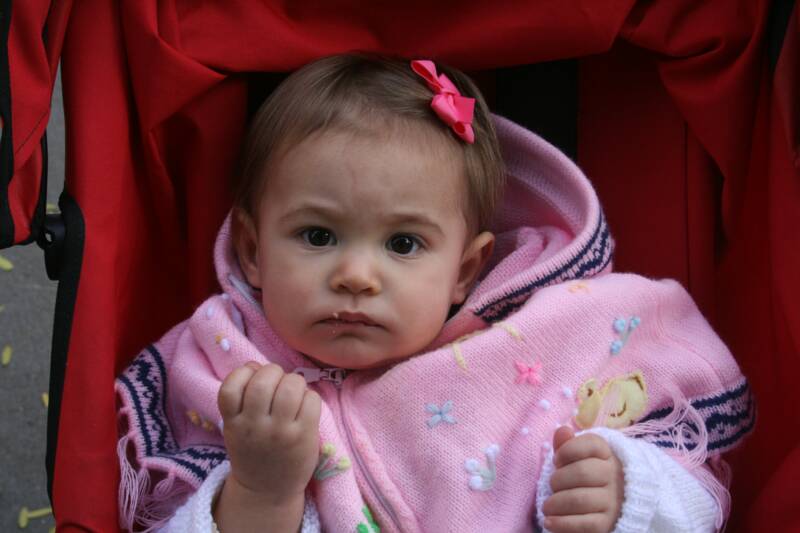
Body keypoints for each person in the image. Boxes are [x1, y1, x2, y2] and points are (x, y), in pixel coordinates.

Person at [116, 54, 754, 533]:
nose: (356, 276)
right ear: (254, 252)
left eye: (403, 244)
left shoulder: (553, 337)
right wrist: (260, 494)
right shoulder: (222, 369)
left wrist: (631, 495)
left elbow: (703, 501)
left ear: (465, 270)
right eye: (317, 235)